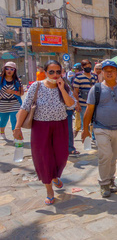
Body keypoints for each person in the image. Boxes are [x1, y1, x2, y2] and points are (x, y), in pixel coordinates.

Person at [14, 60, 75, 205]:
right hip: (40, 127)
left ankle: (54, 176)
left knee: (61, 155)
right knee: (43, 157)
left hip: (60, 125)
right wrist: (17, 127)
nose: (55, 75)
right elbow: (25, 107)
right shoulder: (37, 86)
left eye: (58, 72)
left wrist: (61, 89)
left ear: (62, 72)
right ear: (45, 72)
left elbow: (71, 104)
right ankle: (49, 190)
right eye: (51, 72)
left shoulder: (65, 87)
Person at [82, 60, 117, 198]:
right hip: (101, 128)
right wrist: (85, 129)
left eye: (112, 70)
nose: (109, 73)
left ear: (116, 73)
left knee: (113, 157)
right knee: (106, 156)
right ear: (102, 72)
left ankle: (111, 180)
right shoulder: (96, 89)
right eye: (106, 70)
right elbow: (89, 110)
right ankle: (104, 184)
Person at [73, 59, 98, 135]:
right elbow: (75, 92)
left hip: (93, 103)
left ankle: (94, 137)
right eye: (86, 66)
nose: (88, 68)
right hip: (83, 103)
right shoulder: (78, 78)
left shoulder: (94, 77)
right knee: (85, 122)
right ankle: (86, 136)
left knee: (94, 121)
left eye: (89, 66)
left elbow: (97, 89)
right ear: (82, 67)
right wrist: (77, 104)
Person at [0, 62, 24, 140]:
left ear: (14, 70)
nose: (9, 70)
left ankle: (15, 137)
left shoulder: (17, 81)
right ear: (4, 69)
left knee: (14, 120)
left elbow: (21, 93)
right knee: (3, 120)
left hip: (15, 103)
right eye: (7, 68)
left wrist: (13, 92)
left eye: (12, 69)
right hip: (2, 104)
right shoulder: (0, 79)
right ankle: (2, 132)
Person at [61, 68, 78, 156]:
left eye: (59, 71)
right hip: (52, 114)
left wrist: (76, 104)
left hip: (67, 110)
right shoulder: (44, 84)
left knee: (68, 130)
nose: (56, 74)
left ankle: (70, 147)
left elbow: (72, 93)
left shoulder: (66, 82)